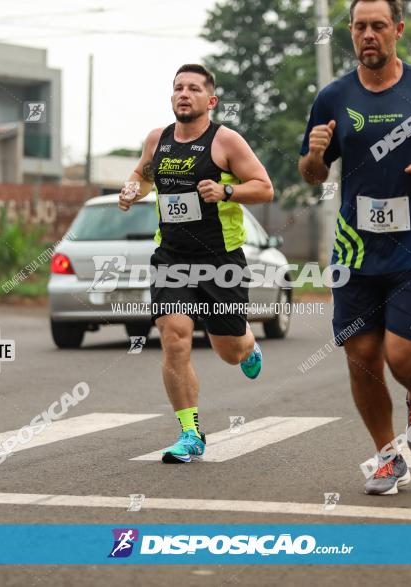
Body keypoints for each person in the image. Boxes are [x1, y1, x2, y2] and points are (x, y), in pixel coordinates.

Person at [298, 0, 411, 495]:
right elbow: (312, 174)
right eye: (360, 27)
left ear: (397, 30)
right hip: (355, 252)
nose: (368, 35)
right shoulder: (333, 97)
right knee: (361, 356)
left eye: (378, 26)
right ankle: (387, 457)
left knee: (403, 356)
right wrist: (315, 155)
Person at [119, 64, 274, 463]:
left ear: (211, 100)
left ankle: (248, 346)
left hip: (220, 260)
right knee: (175, 337)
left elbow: (264, 188)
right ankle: (190, 433)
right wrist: (131, 189)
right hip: (171, 257)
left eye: (192, 88)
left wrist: (226, 190)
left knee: (229, 351)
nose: (183, 94)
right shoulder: (158, 139)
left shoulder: (226, 142)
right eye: (177, 88)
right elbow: (143, 174)